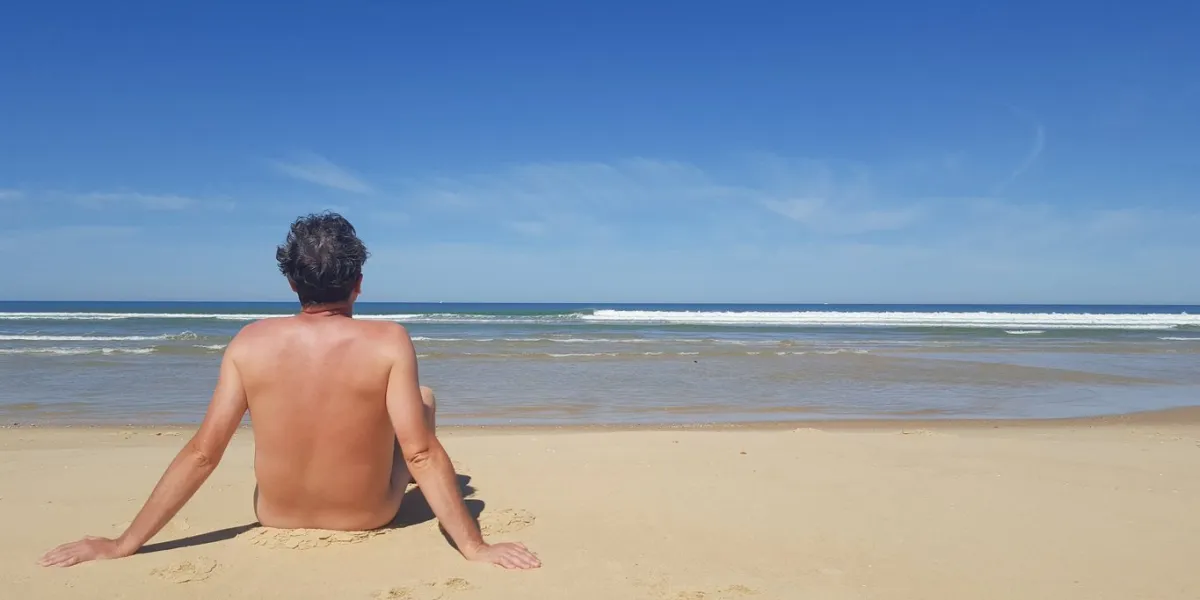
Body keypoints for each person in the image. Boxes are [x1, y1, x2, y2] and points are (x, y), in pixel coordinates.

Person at [39, 212, 541, 570]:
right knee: (423, 400)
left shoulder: (250, 341)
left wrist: (125, 543)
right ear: (358, 284)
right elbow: (422, 452)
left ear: (292, 284)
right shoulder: (388, 340)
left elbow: (202, 454)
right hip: (370, 515)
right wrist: (475, 547)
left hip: (272, 514)